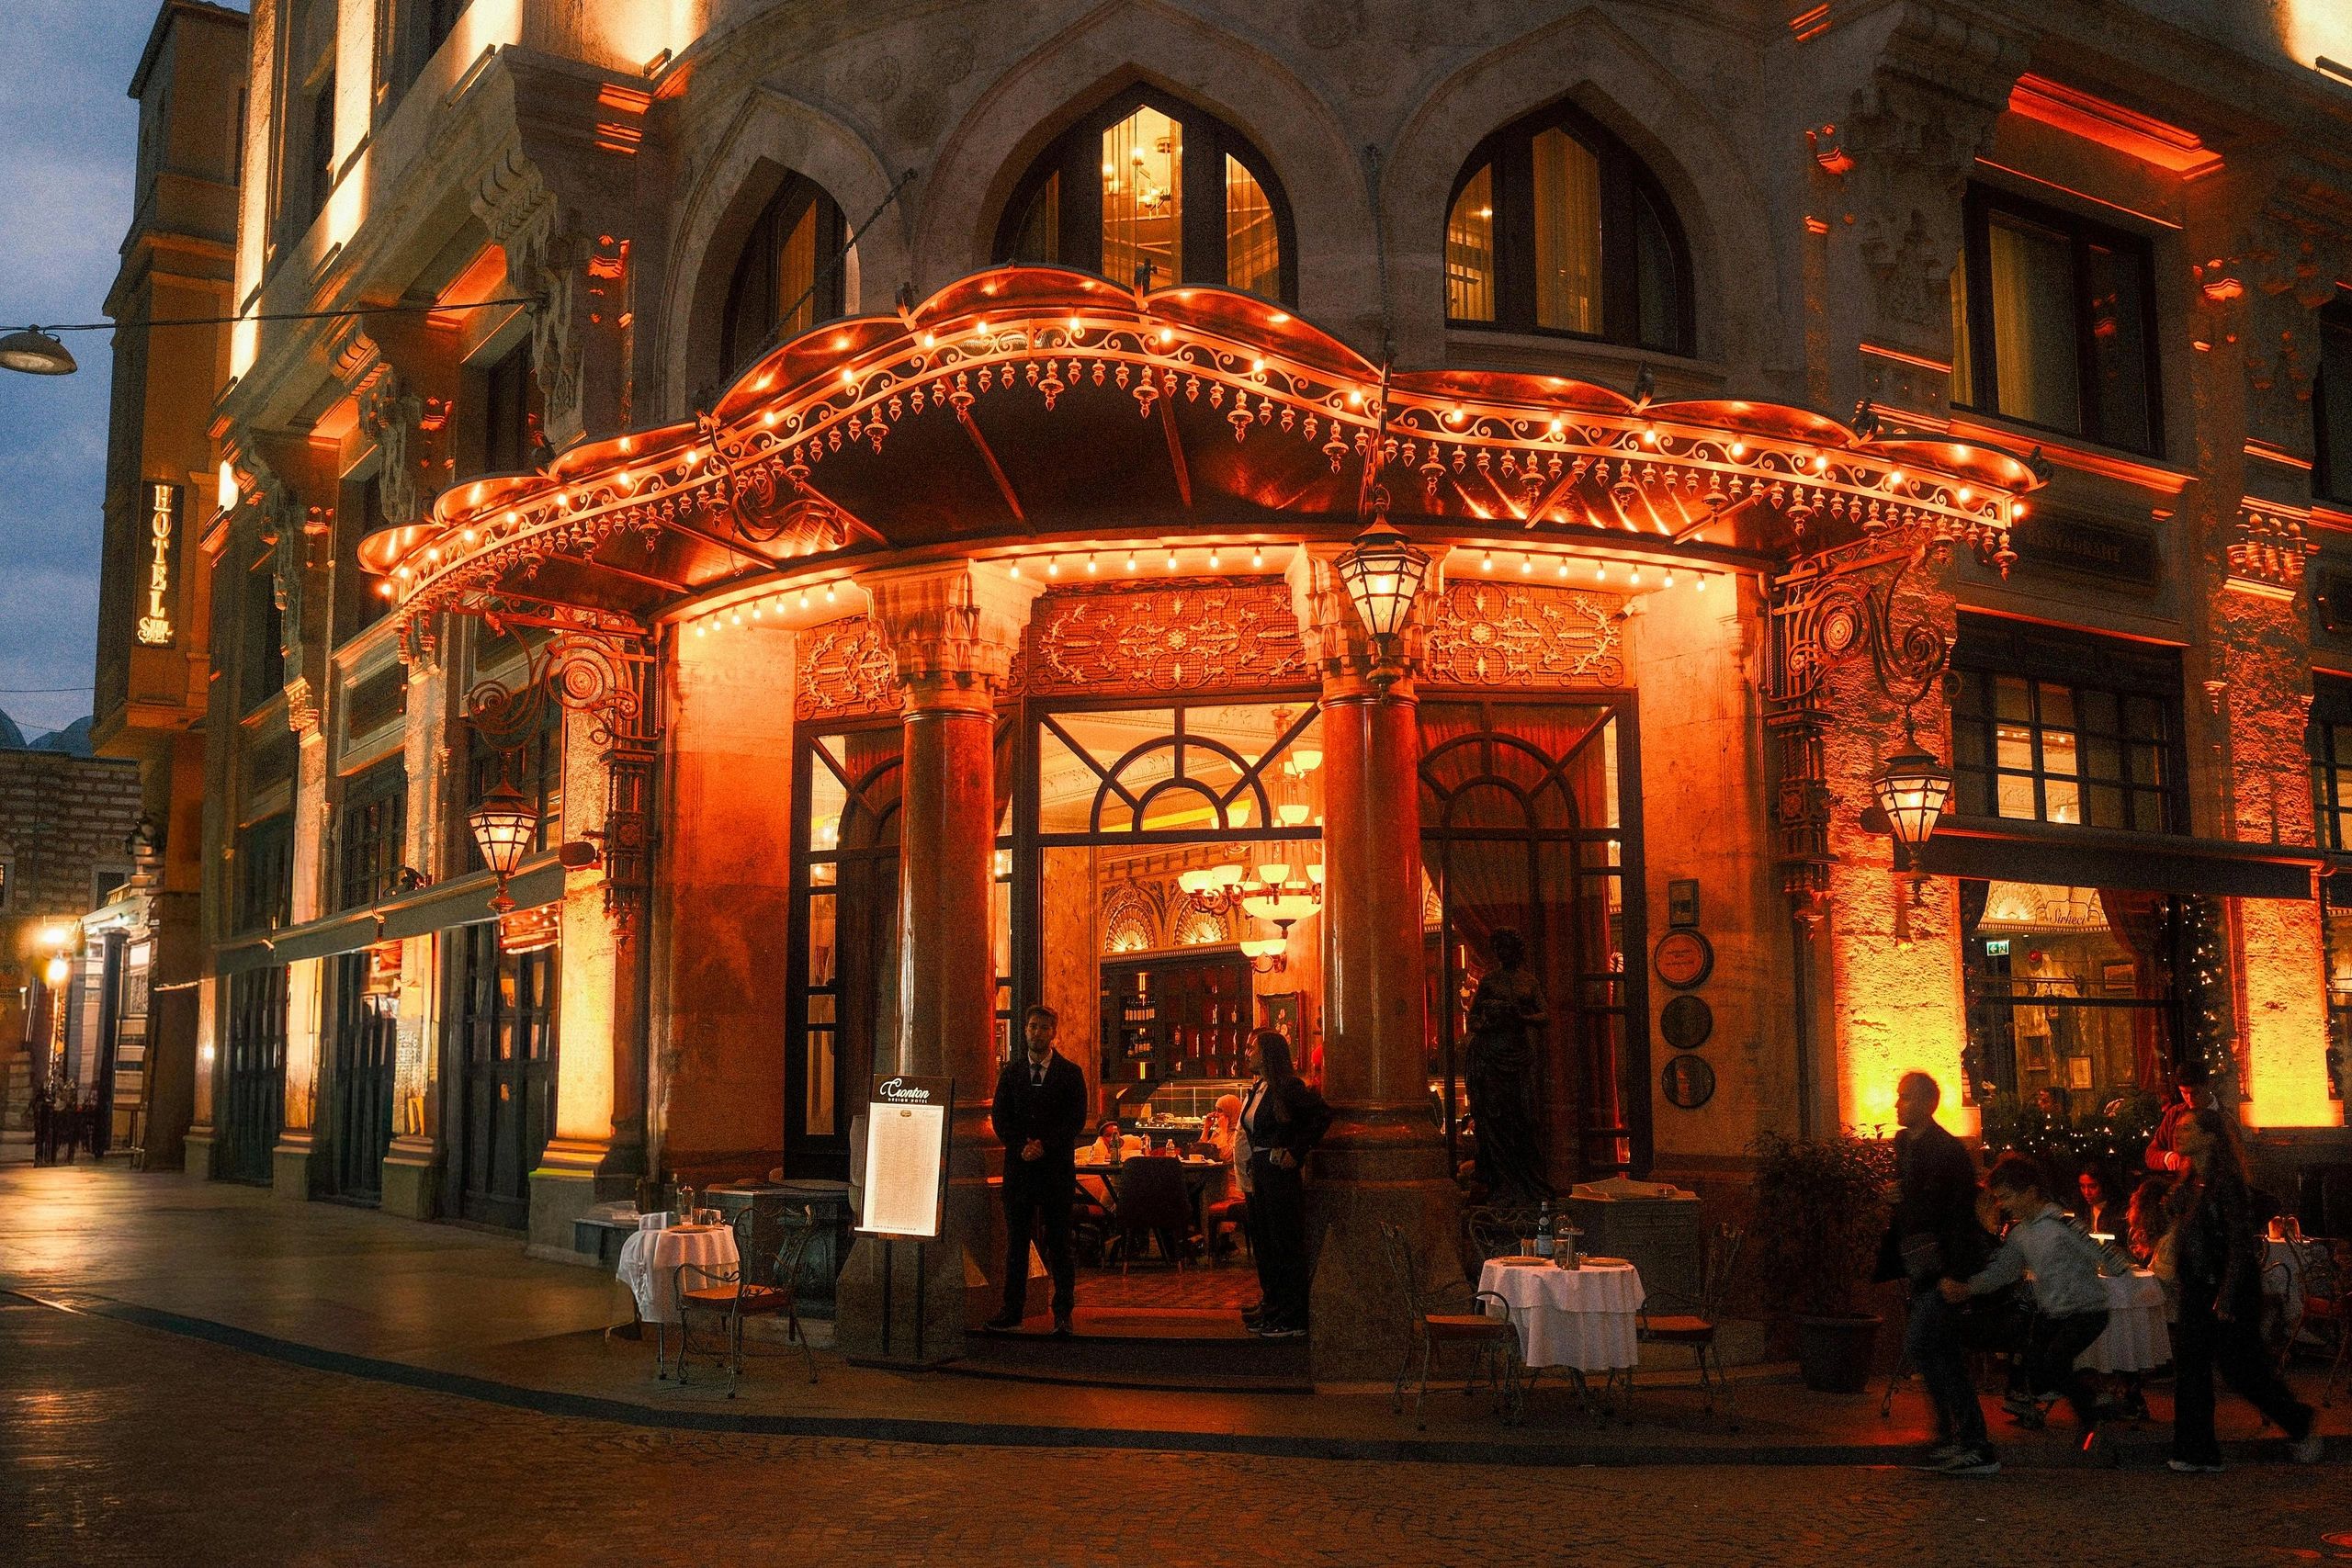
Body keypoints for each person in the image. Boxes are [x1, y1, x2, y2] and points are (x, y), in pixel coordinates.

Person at [2162, 1108, 2323, 1471]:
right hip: (2196, 1288)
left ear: (2209, 1137)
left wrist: (2227, 1294)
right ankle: (2195, 1450)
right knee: (2190, 1370)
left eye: (2188, 1129)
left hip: (2225, 1289)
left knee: (2242, 1370)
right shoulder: (2190, 1183)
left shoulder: (2226, 1184)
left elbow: (2237, 1243)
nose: (2179, 1133)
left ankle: (2298, 1421)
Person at [1940, 1155, 2114, 1451]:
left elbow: (2104, 1254)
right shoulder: (2021, 1235)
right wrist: (1967, 1288)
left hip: (2088, 1310)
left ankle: (2093, 1413)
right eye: (1998, 1197)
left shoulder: (2064, 1224)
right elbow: (2002, 1272)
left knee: (2055, 1361)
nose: (2002, 1204)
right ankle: (2089, 1400)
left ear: (2030, 1193)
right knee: (2037, 1365)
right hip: (2054, 1312)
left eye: (2006, 1196)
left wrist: (2118, 1266)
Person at [1877, 1070, 1997, 1475]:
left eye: (1905, 1097)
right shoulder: (1903, 1144)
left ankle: (1972, 1440)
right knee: (1936, 1350)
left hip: (1944, 1266)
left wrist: (1956, 1272)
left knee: (1927, 1344)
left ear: (1927, 1103)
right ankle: (1955, 1436)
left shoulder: (1946, 1151)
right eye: (1899, 1096)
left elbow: (1958, 1215)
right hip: (1920, 1263)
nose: (1897, 1104)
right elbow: (1913, 1201)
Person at [985, 1003, 1088, 1337]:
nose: (1037, 1033)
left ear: (1053, 1033)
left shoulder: (1070, 1074)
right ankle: (1012, 1310)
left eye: (1043, 1028)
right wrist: (1020, 1146)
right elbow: (1000, 1118)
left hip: (1055, 1169)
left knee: (1060, 1243)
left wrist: (1045, 1145)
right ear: (1024, 1031)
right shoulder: (1011, 1074)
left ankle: (1062, 1314)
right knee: (1016, 1243)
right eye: (1032, 1027)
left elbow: (1075, 1120)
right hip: (1020, 1170)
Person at [1238, 1029, 1331, 1339]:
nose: (1248, 1053)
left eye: (1254, 1049)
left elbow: (1320, 1116)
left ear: (1268, 1055)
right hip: (1261, 1172)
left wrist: (1296, 1150)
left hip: (1279, 1174)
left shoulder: (1288, 1087)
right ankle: (1274, 1306)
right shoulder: (1259, 1088)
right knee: (1265, 1242)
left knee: (1283, 1241)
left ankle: (1293, 1316)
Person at [1463, 930, 1551, 1203]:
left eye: (1507, 947)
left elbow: (1545, 1015)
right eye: (1498, 948)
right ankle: (1501, 1183)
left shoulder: (1529, 981)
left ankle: (1524, 1185)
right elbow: (1473, 1019)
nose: (1502, 953)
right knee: (1496, 1120)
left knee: (1522, 1120)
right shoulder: (1489, 981)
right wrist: (1489, 1023)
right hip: (1492, 1056)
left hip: (1518, 1056)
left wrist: (1521, 1016)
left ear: (1517, 950)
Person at [2145, 1060, 2215, 1174]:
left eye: (2195, 1093)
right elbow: (2151, 1154)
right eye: (2184, 1093)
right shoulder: (2174, 1114)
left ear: (2208, 1085)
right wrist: (2167, 1157)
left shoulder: (2224, 1117)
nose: (2190, 1099)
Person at [2075, 1167, 2127, 1241]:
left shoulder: (2120, 1211)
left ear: (2104, 1185)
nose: (2086, 1192)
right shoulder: (2081, 1208)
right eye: (2082, 1186)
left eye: (2092, 1187)